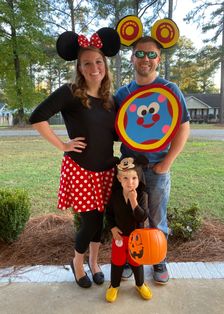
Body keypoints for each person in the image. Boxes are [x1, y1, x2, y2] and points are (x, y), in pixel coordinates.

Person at [29, 28, 120, 288]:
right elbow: (37, 117)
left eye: (99, 62)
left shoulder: (109, 100)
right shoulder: (70, 92)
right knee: (90, 221)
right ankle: (77, 262)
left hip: (106, 170)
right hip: (81, 170)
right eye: (87, 63)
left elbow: (115, 134)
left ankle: (94, 262)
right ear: (79, 68)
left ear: (105, 65)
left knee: (100, 220)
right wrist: (63, 144)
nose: (94, 68)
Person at [114, 35, 190, 284]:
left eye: (151, 54)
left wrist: (167, 163)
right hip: (130, 169)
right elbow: (113, 128)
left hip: (158, 168)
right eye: (139, 54)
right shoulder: (122, 93)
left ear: (159, 58)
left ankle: (159, 259)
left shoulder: (169, 90)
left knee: (157, 217)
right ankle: (129, 258)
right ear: (131, 57)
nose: (145, 59)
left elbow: (183, 128)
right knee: (129, 215)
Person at [105, 156, 152, 302]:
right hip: (119, 236)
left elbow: (142, 217)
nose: (130, 182)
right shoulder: (115, 196)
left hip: (136, 238)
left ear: (139, 179)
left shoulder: (142, 195)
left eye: (133, 178)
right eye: (125, 178)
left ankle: (140, 284)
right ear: (119, 179)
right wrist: (112, 227)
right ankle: (114, 285)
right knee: (117, 261)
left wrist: (133, 201)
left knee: (136, 262)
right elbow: (109, 214)